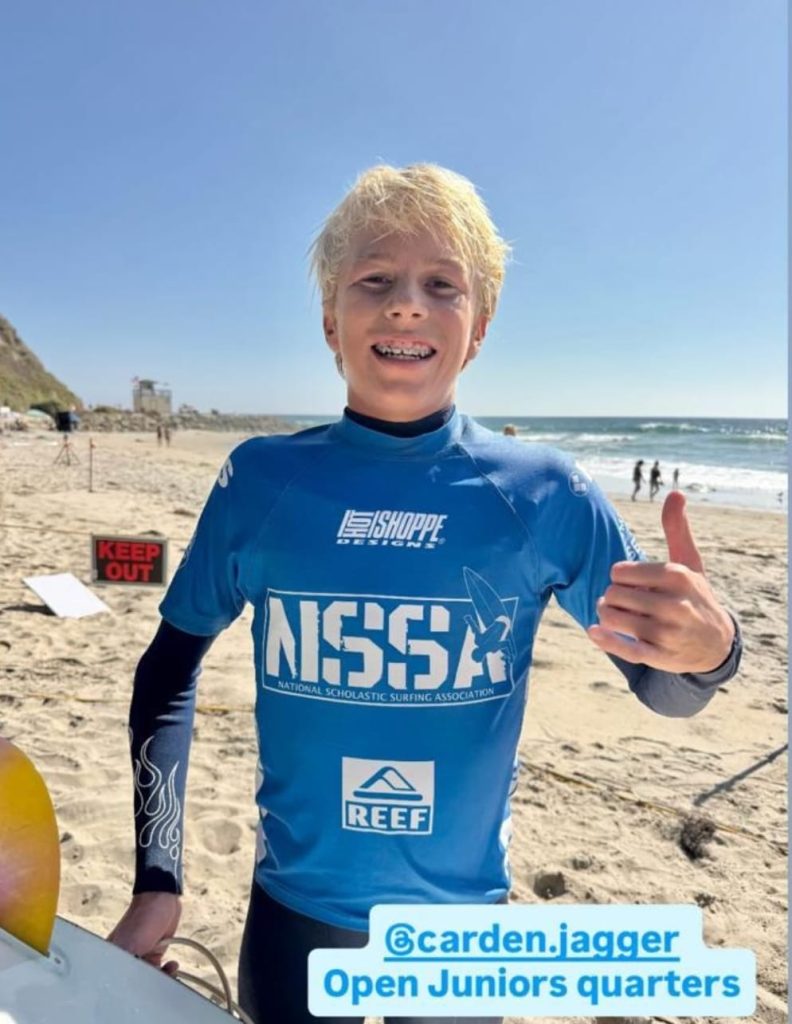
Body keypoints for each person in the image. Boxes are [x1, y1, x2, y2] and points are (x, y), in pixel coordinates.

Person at [107, 164, 741, 1024]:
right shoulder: (261, 481)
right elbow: (169, 669)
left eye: (442, 285)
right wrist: (158, 880)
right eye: (375, 279)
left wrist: (712, 651)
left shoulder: (543, 492)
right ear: (329, 318)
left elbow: (665, 688)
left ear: (479, 327)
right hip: (294, 915)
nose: (407, 305)